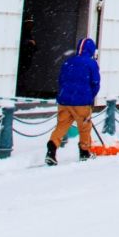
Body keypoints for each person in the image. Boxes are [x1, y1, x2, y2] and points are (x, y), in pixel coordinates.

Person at [46, 38, 100, 166]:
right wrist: (90, 96)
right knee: (84, 127)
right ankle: (84, 152)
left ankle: (51, 149)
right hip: (81, 101)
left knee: (61, 126)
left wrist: (65, 93)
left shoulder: (68, 62)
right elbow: (95, 83)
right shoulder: (91, 63)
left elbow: (61, 80)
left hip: (64, 101)